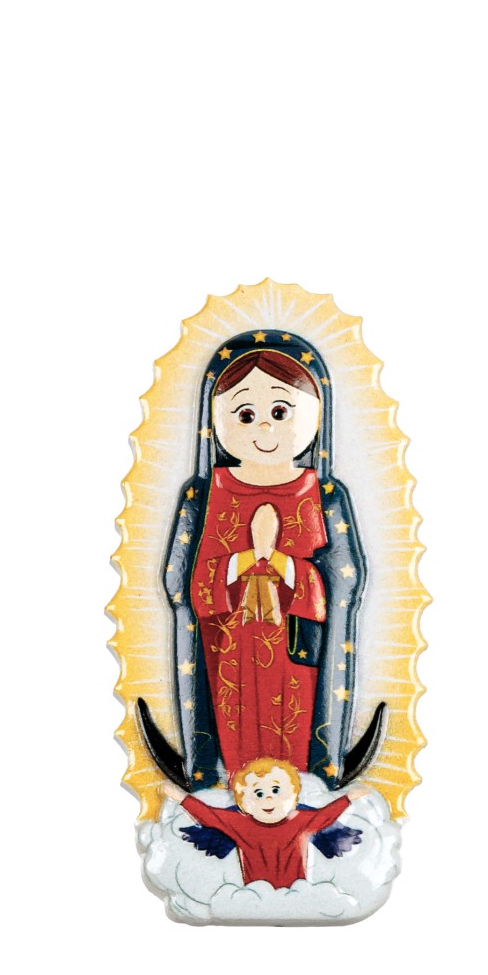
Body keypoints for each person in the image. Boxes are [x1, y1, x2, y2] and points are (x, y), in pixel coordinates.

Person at [163, 331, 367, 787]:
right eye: (245, 414)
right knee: (234, 714)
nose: (264, 429)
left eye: (279, 412)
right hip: (227, 645)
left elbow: (344, 582)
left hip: (297, 646)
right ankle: (233, 785)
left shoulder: (324, 495)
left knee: (294, 715)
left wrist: (282, 565)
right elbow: (181, 583)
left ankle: (298, 785)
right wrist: (242, 563)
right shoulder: (203, 496)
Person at [163, 759, 373, 890]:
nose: (268, 799)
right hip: (254, 894)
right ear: (243, 801)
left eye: (275, 790)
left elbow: (325, 816)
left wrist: (348, 798)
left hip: (296, 894)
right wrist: (180, 797)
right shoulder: (239, 823)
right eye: (259, 793)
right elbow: (208, 815)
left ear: (294, 795)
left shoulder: (300, 820)